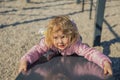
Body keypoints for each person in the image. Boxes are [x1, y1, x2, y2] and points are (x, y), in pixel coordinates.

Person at [18, 15, 113, 75]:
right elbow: (36, 50)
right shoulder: (49, 41)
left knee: (84, 48)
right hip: (53, 49)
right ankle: (53, 49)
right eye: (56, 38)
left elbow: (91, 53)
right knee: (47, 50)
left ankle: (73, 33)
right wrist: (25, 60)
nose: (60, 41)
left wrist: (104, 62)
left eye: (63, 37)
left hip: (74, 43)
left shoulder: (75, 44)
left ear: (70, 36)